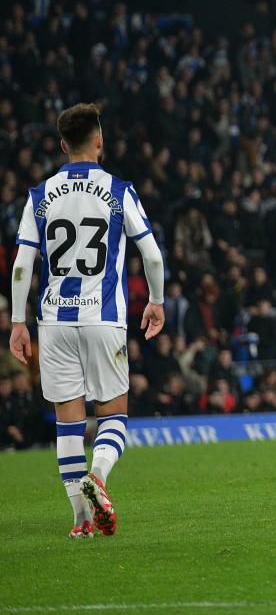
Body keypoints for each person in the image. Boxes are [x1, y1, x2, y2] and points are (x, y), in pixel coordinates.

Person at [8, 103, 167, 537]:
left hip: (53, 321)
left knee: (68, 422)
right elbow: (150, 253)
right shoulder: (118, 190)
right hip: (104, 317)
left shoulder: (40, 195)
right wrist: (157, 300)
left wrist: (18, 322)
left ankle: (80, 520)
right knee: (114, 414)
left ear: (62, 145)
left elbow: (23, 264)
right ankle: (98, 477)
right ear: (99, 141)